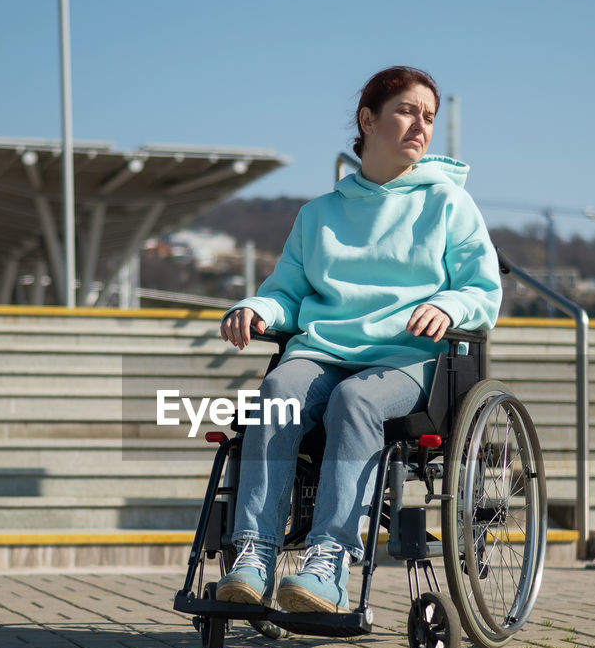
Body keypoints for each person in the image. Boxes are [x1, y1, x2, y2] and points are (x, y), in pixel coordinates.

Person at [215, 65, 502, 614]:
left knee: (355, 400)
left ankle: (329, 562)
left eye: (429, 117)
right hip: (322, 351)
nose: (420, 126)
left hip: (406, 362)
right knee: (275, 396)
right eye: (406, 111)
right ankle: (253, 555)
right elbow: (287, 295)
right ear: (367, 120)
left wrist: (446, 304)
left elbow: (482, 291)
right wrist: (254, 307)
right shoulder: (318, 215)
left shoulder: (448, 205)